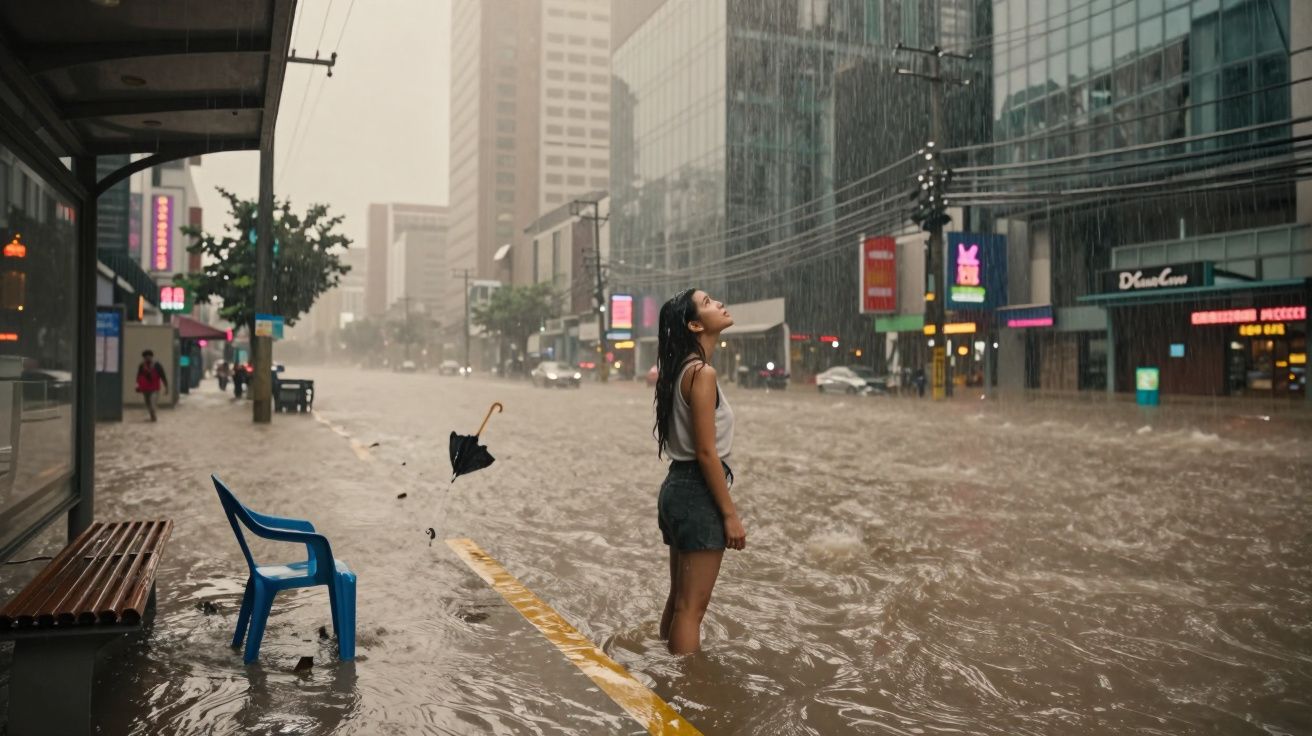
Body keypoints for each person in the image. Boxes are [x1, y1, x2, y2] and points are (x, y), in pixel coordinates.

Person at [652, 288, 745, 655]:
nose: (719, 303)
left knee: (679, 601)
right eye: (707, 303)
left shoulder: (680, 370)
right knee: (691, 611)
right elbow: (707, 452)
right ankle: (685, 684)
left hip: (676, 488)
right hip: (697, 492)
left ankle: (663, 671)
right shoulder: (702, 374)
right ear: (694, 325)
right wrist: (730, 515)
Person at [135, 349, 168, 421]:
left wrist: (166, 387)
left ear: (151, 357)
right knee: (148, 404)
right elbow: (138, 376)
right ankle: (152, 416)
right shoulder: (141, 366)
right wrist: (137, 385)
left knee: (152, 403)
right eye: (145, 357)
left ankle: (153, 415)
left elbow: (163, 376)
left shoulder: (157, 365)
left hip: (154, 389)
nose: (147, 358)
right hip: (145, 388)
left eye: (149, 356)